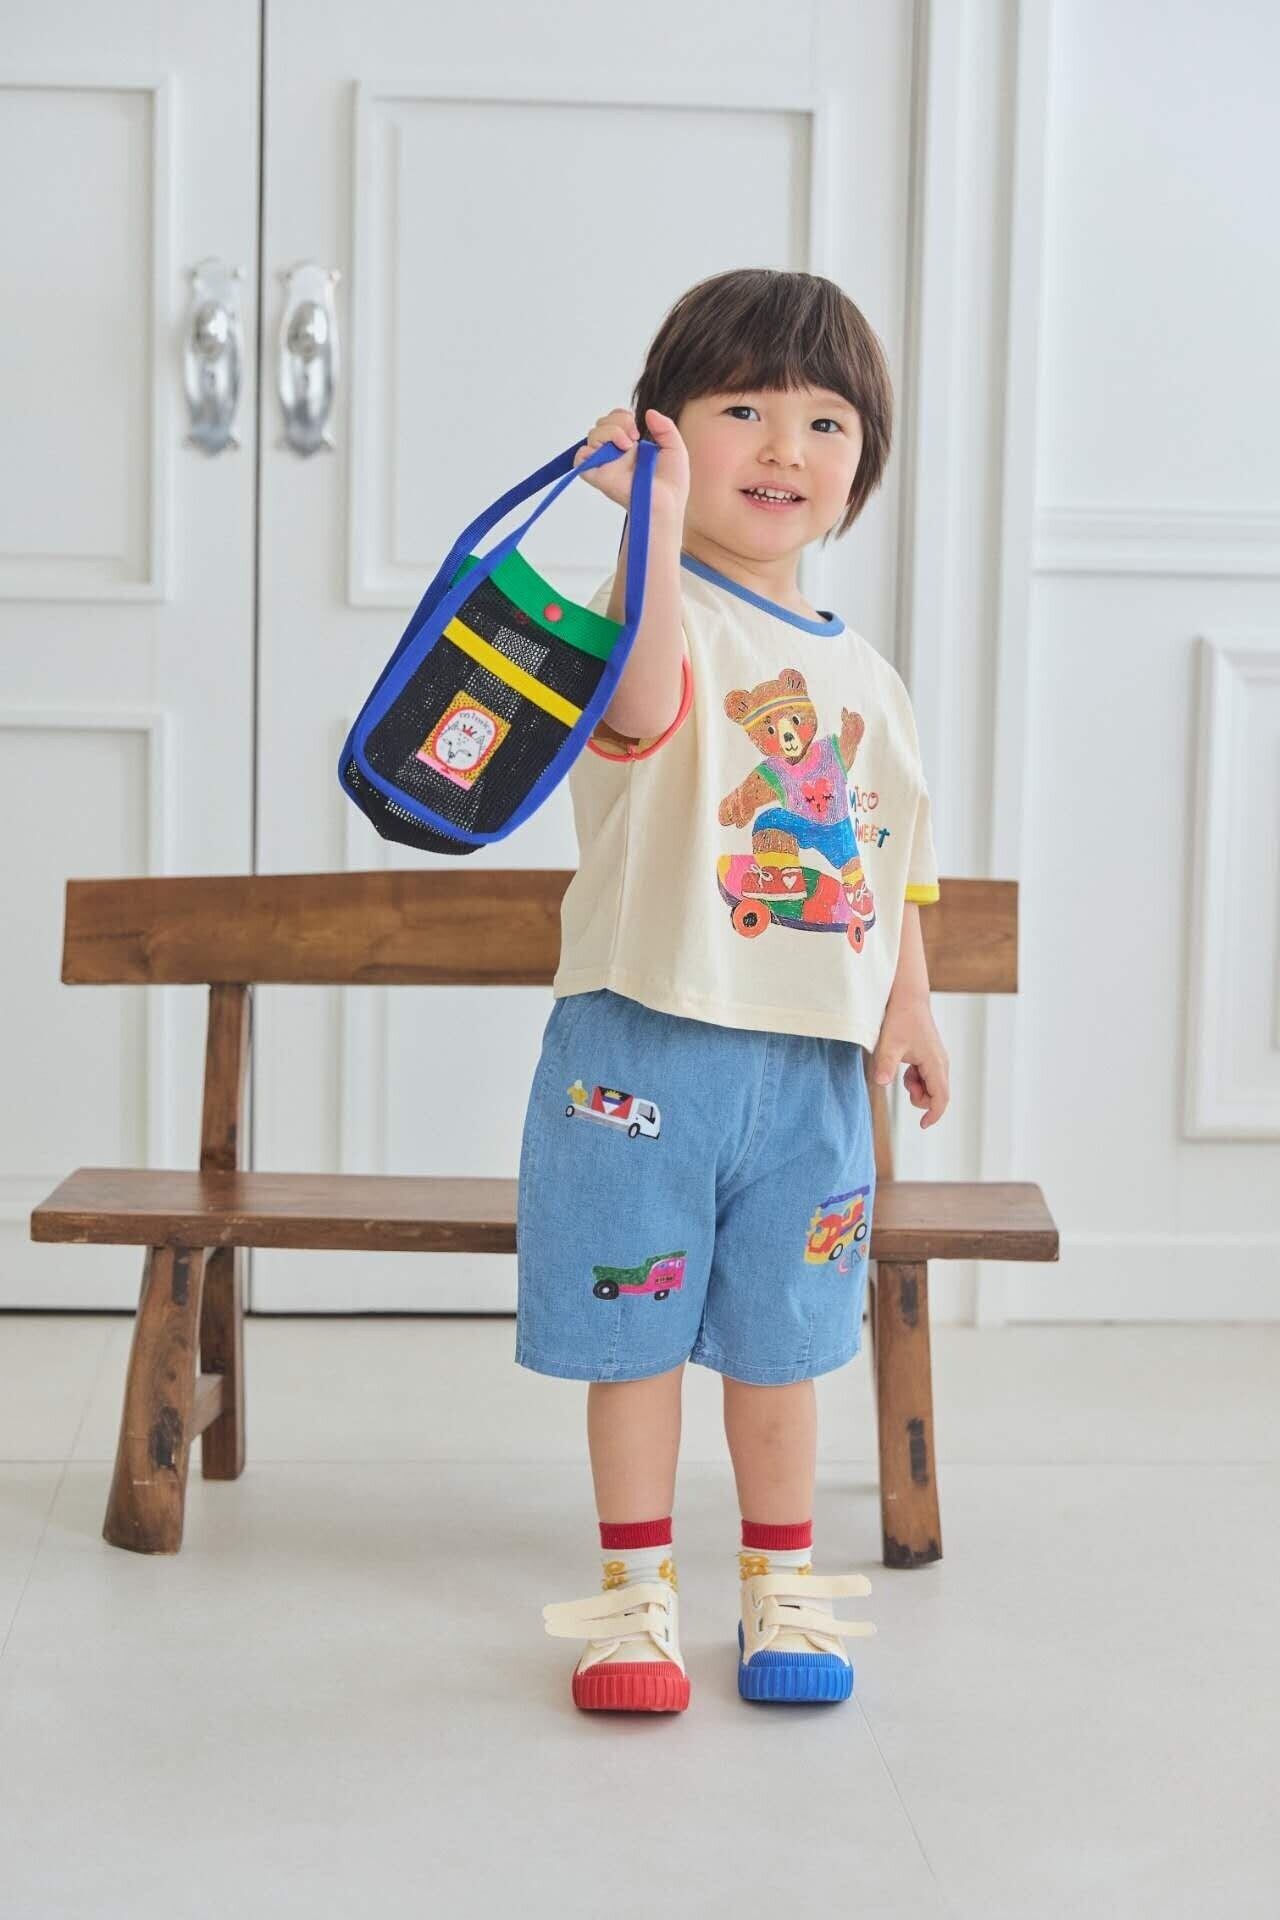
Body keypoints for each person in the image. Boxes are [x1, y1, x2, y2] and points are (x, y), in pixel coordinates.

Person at [519, 267, 949, 1712]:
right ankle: (634, 1602)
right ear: (667, 431)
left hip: (810, 1073)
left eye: (825, 422)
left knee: (785, 1341)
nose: (783, 448)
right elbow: (643, 706)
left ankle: (782, 1588)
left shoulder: (870, 677)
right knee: (635, 1341)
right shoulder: (648, 612)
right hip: (641, 1051)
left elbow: (891, 865)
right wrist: (640, 519)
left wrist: (909, 1004)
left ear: (860, 466)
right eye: (743, 410)